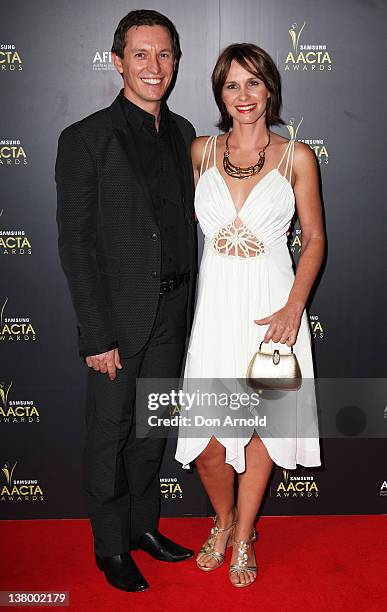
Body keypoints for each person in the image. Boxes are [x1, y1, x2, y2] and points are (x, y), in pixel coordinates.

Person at [55, 9, 197, 593]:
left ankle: (143, 529)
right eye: (141, 54)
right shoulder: (85, 139)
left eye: (164, 54)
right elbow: (77, 243)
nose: (154, 66)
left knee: (151, 433)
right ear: (118, 62)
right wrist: (97, 334)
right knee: (110, 434)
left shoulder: (186, 134)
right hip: (118, 322)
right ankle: (110, 546)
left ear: (174, 63)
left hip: (174, 313)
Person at [175, 43, 325, 588]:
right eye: (232, 84)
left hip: (273, 314)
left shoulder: (296, 157)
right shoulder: (199, 151)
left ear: (270, 89)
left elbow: (313, 240)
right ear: (220, 92)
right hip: (216, 312)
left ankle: (242, 539)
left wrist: (294, 307)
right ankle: (223, 518)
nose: (243, 95)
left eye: (253, 83)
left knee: (262, 432)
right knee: (210, 444)